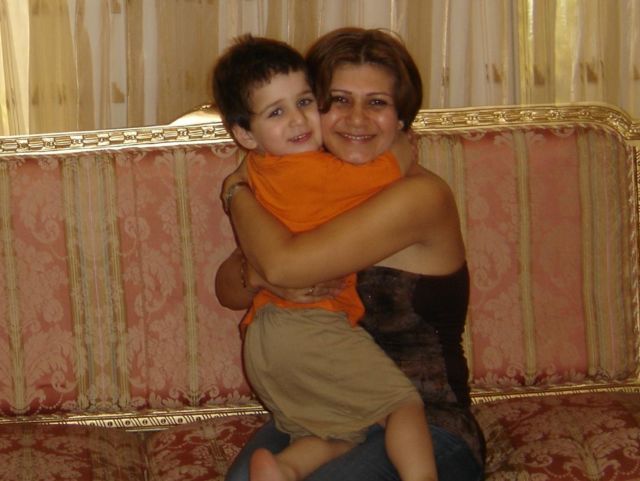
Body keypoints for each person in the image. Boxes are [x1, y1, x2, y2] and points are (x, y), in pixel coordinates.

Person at [216, 28, 486, 481]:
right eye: (339, 100)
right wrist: (261, 274)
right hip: (329, 397)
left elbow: (283, 263)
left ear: (402, 118)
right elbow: (228, 288)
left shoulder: (420, 198)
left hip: (425, 419)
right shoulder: (314, 186)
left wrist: (237, 190)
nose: (356, 119)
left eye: (377, 102)